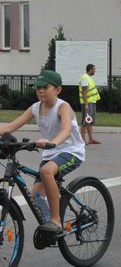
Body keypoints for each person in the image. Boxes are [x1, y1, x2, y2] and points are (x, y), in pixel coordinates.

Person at [0, 70, 85, 233]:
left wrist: (52, 143)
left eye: (45, 87)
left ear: (58, 90)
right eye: (37, 87)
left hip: (71, 151)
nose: (40, 90)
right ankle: (52, 229)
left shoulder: (63, 107)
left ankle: (56, 221)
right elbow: (10, 127)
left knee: (46, 172)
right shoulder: (35, 108)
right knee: (36, 197)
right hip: (51, 153)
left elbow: (66, 130)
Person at [79, 64, 101, 145]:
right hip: (87, 103)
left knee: (89, 121)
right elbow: (84, 92)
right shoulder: (84, 78)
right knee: (85, 121)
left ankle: (91, 139)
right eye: (94, 69)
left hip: (92, 102)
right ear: (90, 69)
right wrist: (86, 104)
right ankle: (83, 140)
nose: (95, 71)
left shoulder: (88, 78)